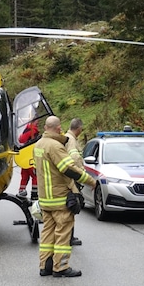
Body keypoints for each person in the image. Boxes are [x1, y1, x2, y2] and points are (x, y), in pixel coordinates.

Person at [34, 116, 97, 277]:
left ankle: (45, 266)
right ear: (57, 128)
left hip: (45, 200)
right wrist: (91, 181)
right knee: (63, 233)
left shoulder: (39, 145)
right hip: (59, 198)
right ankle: (60, 267)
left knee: (47, 233)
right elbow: (69, 169)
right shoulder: (54, 146)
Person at [64, 117, 85, 246]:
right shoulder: (71, 140)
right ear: (79, 129)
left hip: (65, 176)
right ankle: (69, 237)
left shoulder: (66, 137)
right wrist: (81, 172)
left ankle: (68, 236)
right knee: (73, 207)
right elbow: (75, 157)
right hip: (72, 177)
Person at [17, 118, 40, 200]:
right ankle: (34, 193)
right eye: (37, 121)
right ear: (34, 121)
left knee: (24, 175)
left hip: (24, 158)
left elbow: (21, 140)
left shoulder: (26, 129)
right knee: (35, 176)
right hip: (31, 158)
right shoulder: (33, 130)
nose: (38, 122)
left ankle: (21, 191)